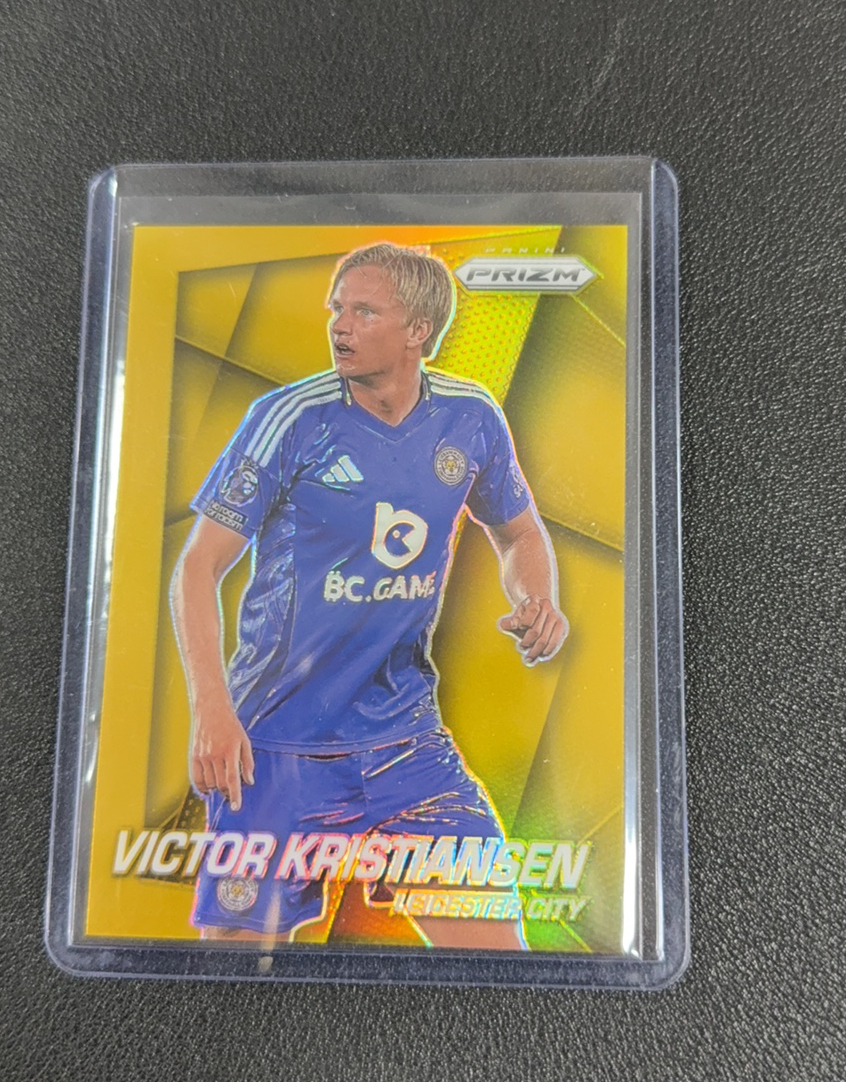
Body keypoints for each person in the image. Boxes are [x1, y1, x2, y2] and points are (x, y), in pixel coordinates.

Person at [170, 242, 567, 950]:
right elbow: (198, 567)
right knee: (234, 977)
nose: (339, 324)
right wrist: (212, 711)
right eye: (336, 308)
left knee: (501, 957)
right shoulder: (290, 419)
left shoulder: (470, 417)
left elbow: (519, 533)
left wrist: (537, 597)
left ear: (418, 329)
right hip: (277, 750)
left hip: (408, 748)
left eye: (363, 310)